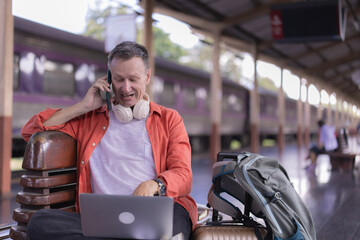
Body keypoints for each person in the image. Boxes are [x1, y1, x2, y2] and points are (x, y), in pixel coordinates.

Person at [22, 41, 197, 240]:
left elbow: (184, 175)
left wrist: (155, 184)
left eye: (133, 79)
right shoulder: (89, 119)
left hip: (154, 213)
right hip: (103, 219)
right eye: (119, 79)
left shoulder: (169, 119)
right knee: (40, 223)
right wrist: (84, 106)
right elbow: (31, 131)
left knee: (170, 227)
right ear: (108, 79)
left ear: (147, 77)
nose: (126, 87)